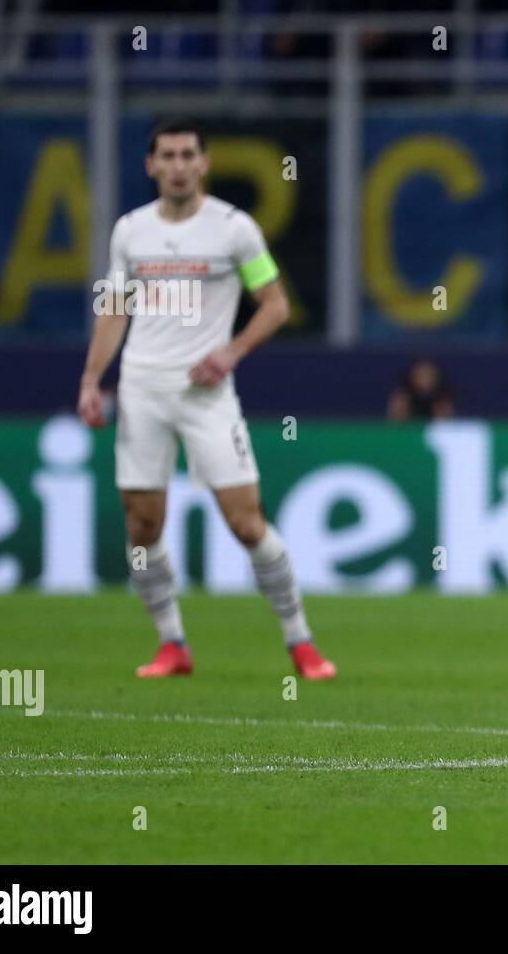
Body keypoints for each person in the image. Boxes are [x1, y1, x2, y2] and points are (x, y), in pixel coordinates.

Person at [77, 118, 337, 679]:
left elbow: (275, 304)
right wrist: (91, 382)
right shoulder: (130, 232)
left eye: (187, 155)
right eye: (166, 156)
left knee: (247, 523)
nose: (177, 165)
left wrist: (232, 352)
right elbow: (114, 308)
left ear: (204, 163)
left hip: (208, 394)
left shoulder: (235, 229)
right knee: (142, 526)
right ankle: (172, 643)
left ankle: (301, 640)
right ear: (150, 165)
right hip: (143, 388)